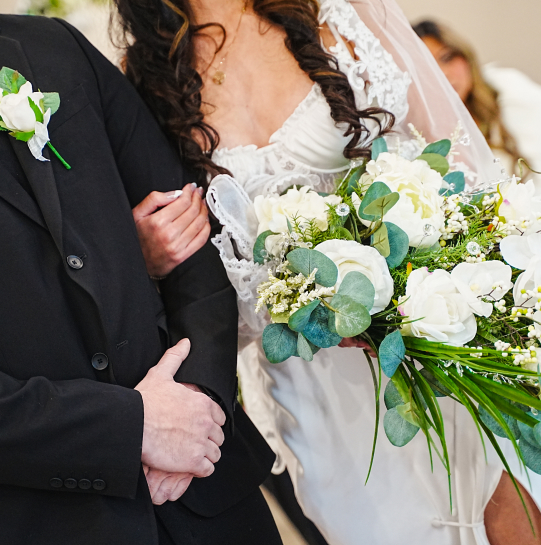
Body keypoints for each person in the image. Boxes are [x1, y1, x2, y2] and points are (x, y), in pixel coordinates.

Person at [122, 0, 541, 544]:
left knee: (506, 510)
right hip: (313, 384)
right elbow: (196, 281)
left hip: (436, 328)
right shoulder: (150, 74)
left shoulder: (337, 14)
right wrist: (152, 257)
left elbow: (463, 167)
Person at [0, 14, 282, 545]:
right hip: (42, 515)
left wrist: (195, 395)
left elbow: (190, 230)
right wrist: (133, 427)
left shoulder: (51, 46)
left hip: (205, 495)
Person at [413, 19, 541, 179]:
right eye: (428, 66)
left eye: (447, 58)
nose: (443, 73)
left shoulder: (509, 93)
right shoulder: (418, 134)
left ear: (465, 56)